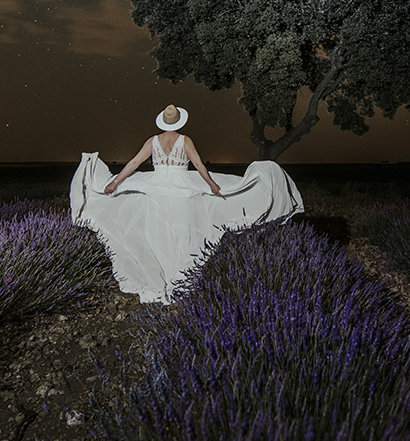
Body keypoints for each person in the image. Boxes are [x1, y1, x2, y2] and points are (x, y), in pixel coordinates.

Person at [70, 104, 303, 304]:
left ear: (162, 122)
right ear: (179, 121)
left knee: (158, 232)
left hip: (156, 187)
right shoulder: (185, 140)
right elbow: (200, 165)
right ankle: (180, 279)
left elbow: (133, 162)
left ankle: (162, 279)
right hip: (183, 187)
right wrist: (211, 184)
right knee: (182, 232)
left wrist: (115, 182)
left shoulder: (152, 141)